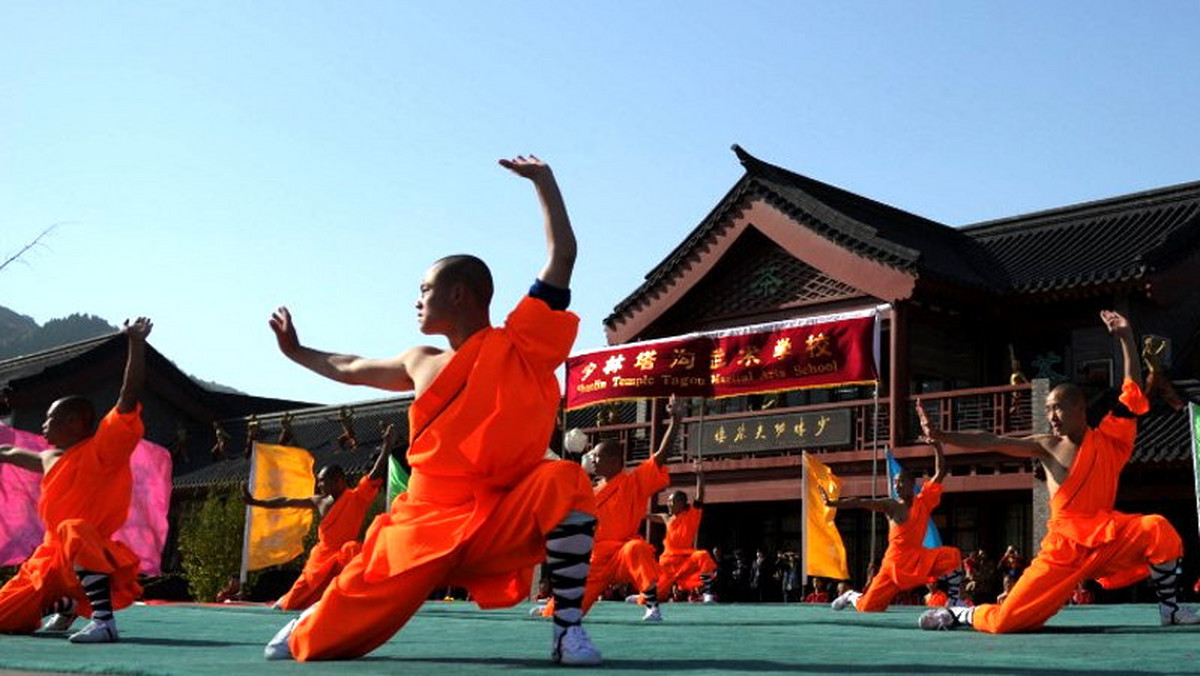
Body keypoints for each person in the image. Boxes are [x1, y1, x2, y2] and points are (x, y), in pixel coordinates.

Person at [261, 156, 601, 665]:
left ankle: (566, 630)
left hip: (497, 516)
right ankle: (311, 619)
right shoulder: (420, 360)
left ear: (459, 293)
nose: (417, 299)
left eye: (425, 289)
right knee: (317, 647)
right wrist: (298, 352)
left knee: (567, 481)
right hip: (422, 521)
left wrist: (545, 182)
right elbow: (352, 365)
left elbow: (563, 255)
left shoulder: (521, 345)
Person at [919, 310, 1200, 632]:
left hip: (1106, 536)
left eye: (1058, 407)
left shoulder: (1109, 438)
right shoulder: (1046, 444)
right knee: (1006, 623)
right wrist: (942, 436)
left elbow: (1132, 390)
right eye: (1048, 408)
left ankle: (1171, 610)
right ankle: (962, 614)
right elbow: (992, 440)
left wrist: (1124, 337)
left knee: (1157, 528)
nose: (1051, 415)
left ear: (1080, 408)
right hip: (1063, 546)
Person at [0, 318, 153, 643]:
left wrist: (136, 344)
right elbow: (9, 451)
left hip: (88, 551)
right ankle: (66, 605)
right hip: (52, 560)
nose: (43, 425)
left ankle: (103, 621)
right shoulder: (49, 457)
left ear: (73, 421)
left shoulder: (103, 449)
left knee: (73, 527)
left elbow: (128, 396)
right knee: (4, 616)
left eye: (50, 418)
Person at [538, 394, 683, 622]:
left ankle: (652, 606)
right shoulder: (589, 490)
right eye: (592, 455)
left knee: (638, 548)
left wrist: (675, 422)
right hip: (595, 559)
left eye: (597, 456)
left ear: (616, 462)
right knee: (563, 607)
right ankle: (552, 606)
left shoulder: (633, 483)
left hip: (622, 553)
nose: (592, 459)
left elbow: (659, 458)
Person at [243, 425, 394, 610]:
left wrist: (387, 445)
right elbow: (287, 501)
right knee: (292, 603)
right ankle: (288, 598)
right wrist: (256, 502)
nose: (319, 484)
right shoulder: (319, 501)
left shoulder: (356, 498)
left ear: (338, 481)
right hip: (321, 558)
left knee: (352, 549)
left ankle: (355, 598)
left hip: (343, 558)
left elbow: (374, 474)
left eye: (323, 480)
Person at [828, 439, 964, 612]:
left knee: (952, 556)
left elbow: (940, 472)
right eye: (895, 482)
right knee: (867, 608)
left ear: (911, 484)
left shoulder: (923, 501)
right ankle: (851, 596)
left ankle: (953, 601)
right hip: (893, 565)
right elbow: (860, 502)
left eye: (901, 482)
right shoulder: (891, 505)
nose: (897, 486)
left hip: (917, 558)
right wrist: (834, 504)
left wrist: (937, 446)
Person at [651, 463, 718, 603]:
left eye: (672, 502)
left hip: (685, 561)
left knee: (702, 555)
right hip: (667, 564)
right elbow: (646, 516)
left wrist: (700, 476)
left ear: (681, 503)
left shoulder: (691, 516)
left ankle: (707, 592)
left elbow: (699, 496)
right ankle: (644, 596)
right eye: (668, 502)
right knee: (657, 595)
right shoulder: (667, 518)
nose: (668, 504)